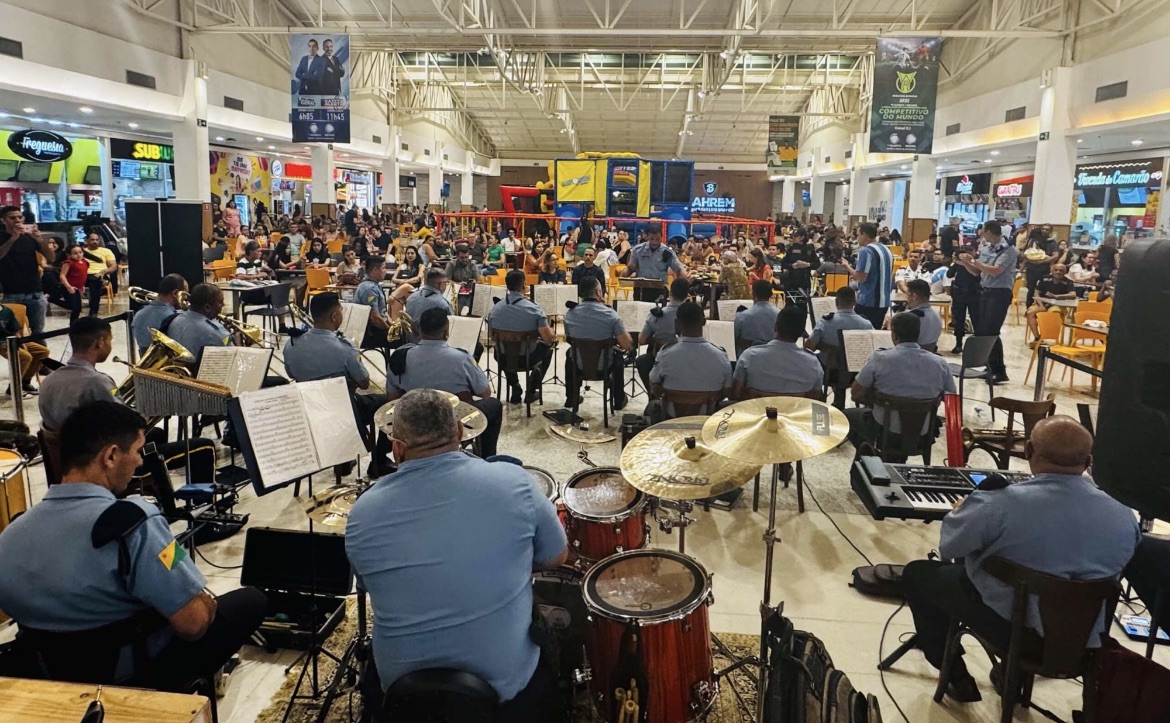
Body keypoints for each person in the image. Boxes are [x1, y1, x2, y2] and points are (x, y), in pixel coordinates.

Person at [0, 401, 266, 692]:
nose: (140, 462)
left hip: (45, 671)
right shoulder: (133, 522)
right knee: (251, 601)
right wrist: (203, 600)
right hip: (128, 671)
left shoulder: (12, 533)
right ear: (111, 456)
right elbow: (193, 625)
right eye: (138, 451)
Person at [345, 389, 568, 721]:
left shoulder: (362, 512)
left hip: (403, 697)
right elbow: (556, 557)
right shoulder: (514, 482)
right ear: (461, 432)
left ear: (397, 448)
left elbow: (367, 583)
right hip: (507, 694)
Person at [902, 416, 1140, 703]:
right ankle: (1010, 675)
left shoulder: (1000, 503)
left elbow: (950, 548)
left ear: (1028, 451)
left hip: (1013, 633)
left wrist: (963, 510)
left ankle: (956, 677)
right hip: (1086, 639)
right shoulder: (1123, 516)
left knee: (919, 574)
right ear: (1088, 461)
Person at [38, 317, 218, 484]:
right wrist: (153, 405)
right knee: (203, 446)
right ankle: (200, 503)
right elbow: (129, 426)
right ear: (100, 343)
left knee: (157, 434)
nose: (110, 345)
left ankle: (159, 492)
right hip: (101, 462)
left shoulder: (49, 380)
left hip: (69, 456)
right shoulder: (97, 382)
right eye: (110, 340)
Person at [386, 308, 502, 458]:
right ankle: (486, 458)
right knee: (494, 405)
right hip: (454, 421)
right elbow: (485, 392)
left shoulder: (401, 356)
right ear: (446, 332)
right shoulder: (461, 358)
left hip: (413, 421)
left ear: (419, 330)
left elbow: (392, 397)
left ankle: (381, 459)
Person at [846, 311, 955, 458]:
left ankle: (870, 456)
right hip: (922, 436)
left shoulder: (880, 358)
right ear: (918, 334)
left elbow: (856, 394)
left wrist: (873, 399)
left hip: (886, 432)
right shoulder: (939, 363)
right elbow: (951, 397)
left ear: (894, 336)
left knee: (846, 416)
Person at [284, 292, 387, 437]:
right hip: (342, 409)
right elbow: (364, 384)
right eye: (341, 311)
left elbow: (291, 374)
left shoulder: (291, 344)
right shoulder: (344, 347)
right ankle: (377, 450)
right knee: (388, 401)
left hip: (308, 406)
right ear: (334, 316)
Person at [956, 220, 1018, 384]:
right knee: (983, 331)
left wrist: (974, 261)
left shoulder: (1008, 250)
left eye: (983, 231)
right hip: (985, 291)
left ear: (989, 232)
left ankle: (999, 371)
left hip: (999, 293)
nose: (981, 233)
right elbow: (977, 272)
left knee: (992, 331)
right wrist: (965, 263)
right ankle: (990, 366)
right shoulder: (986, 248)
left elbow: (996, 271)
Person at [647, 301, 732, 419]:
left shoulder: (665, 354)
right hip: (707, 420)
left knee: (651, 406)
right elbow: (727, 390)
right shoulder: (721, 355)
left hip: (672, 419)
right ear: (704, 322)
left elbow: (653, 384)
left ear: (677, 324)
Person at [485, 270, 557, 405]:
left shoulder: (495, 310)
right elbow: (548, 339)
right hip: (527, 358)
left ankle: (515, 386)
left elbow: (492, 337)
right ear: (524, 285)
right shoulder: (534, 309)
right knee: (548, 350)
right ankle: (531, 390)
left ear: (507, 286)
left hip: (504, 358)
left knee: (502, 352)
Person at [564, 277, 631, 410]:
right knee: (618, 357)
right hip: (605, 367)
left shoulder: (570, 314)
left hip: (579, 365)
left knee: (569, 354)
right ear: (598, 292)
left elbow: (569, 336)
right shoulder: (611, 315)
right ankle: (618, 398)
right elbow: (626, 344)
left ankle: (572, 397)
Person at [733, 304, 822, 399]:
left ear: (775, 327)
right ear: (801, 333)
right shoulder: (813, 363)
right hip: (796, 408)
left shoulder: (749, 356)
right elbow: (815, 399)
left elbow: (734, 394)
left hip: (758, 408)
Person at [805, 286, 873, 409]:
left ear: (836, 302)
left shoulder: (826, 321)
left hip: (829, 373)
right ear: (854, 302)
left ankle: (820, 400)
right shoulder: (866, 324)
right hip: (855, 375)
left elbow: (809, 347)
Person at [634, 278, 689, 390]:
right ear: (687, 295)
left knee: (642, 361)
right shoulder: (691, 315)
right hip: (686, 359)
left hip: (660, 359)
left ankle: (653, 393)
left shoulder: (656, 315)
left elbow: (641, 340)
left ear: (670, 293)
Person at [843, 222, 893, 329]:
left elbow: (861, 278)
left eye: (858, 235)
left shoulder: (866, 251)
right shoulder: (886, 249)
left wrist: (847, 267)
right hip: (884, 301)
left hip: (869, 301)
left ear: (864, 235)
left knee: (859, 333)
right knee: (874, 331)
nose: (857, 238)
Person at [356, 256, 411, 350]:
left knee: (405, 331)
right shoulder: (369, 289)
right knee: (406, 339)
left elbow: (383, 311)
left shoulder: (375, 285)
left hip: (377, 328)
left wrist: (392, 325)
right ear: (375, 270)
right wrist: (389, 330)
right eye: (383, 268)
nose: (386, 271)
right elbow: (375, 318)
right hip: (370, 333)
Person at [0, 290, 48, 396]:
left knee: (42, 351)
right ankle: (13, 387)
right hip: (2, 344)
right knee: (25, 357)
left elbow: (15, 330)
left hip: (12, 340)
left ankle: (25, 382)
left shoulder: (7, 311)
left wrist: (22, 343)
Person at [623, 229, 686, 301]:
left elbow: (679, 269)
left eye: (657, 239)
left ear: (661, 238)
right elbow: (631, 268)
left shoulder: (667, 252)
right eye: (652, 239)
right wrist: (623, 275)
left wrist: (679, 286)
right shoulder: (638, 250)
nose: (654, 242)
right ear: (648, 237)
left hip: (660, 289)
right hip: (641, 289)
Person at [131, 274, 188, 354]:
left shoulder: (139, 314)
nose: (186, 298)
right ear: (175, 293)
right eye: (185, 294)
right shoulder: (174, 318)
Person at [946, 239, 981, 354]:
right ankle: (958, 344)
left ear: (975, 251)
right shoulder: (959, 262)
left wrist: (969, 263)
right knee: (958, 319)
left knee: (976, 319)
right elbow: (949, 274)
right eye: (965, 250)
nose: (968, 253)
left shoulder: (979, 262)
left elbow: (979, 277)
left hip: (974, 293)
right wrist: (954, 262)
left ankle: (977, 345)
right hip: (959, 293)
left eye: (970, 250)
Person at [1025, 263, 1077, 340]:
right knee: (1030, 313)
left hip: (1057, 305)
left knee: (1053, 314)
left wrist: (1058, 296)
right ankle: (1037, 337)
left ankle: (1046, 336)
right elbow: (1036, 292)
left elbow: (1073, 295)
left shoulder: (1068, 282)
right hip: (1041, 303)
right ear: (1051, 271)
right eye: (1056, 270)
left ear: (1065, 272)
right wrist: (1041, 305)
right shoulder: (1044, 278)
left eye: (1061, 270)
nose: (1058, 272)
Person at [780, 228, 815, 325]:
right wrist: (792, 266)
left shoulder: (810, 249)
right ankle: (788, 326)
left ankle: (802, 326)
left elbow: (816, 263)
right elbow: (783, 264)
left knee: (803, 305)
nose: (793, 238)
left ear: (802, 237)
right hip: (791, 280)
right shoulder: (790, 249)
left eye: (796, 236)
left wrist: (808, 264)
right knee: (789, 304)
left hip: (804, 280)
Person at [733, 279, 781, 351]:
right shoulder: (780, 314)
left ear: (753, 293)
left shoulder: (742, 316)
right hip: (774, 353)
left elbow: (735, 338)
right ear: (771, 294)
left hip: (748, 355)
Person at [903, 279, 943, 353]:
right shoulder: (937, 315)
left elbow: (902, 346)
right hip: (931, 354)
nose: (907, 299)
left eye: (908, 295)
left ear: (914, 296)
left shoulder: (909, 317)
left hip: (912, 355)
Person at [1021, 228, 1058, 306]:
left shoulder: (1052, 242)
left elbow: (1055, 256)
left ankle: (1042, 307)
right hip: (1032, 269)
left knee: (1043, 289)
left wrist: (1043, 261)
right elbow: (1024, 254)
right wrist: (1032, 261)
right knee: (1031, 289)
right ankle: (1029, 308)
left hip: (1045, 269)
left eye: (1046, 229)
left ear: (1050, 231)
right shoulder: (1031, 241)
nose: (1044, 231)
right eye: (1043, 229)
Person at [445, 244, 479, 314]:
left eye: (466, 257)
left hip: (470, 292)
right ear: (457, 256)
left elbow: (478, 280)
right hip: (455, 292)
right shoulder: (451, 264)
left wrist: (474, 282)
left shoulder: (472, 264)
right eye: (462, 258)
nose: (464, 260)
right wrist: (457, 284)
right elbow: (446, 280)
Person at [58, 244, 89, 323]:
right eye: (75, 253)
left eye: (80, 252)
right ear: (69, 255)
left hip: (77, 288)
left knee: (77, 308)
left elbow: (82, 275)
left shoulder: (85, 262)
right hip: (69, 287)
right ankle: (52, 299)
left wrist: (82, 285)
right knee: (73, 306)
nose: (78, 255)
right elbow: (62, 275)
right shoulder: (68, 263)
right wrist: (68, 286)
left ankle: (74, 324)